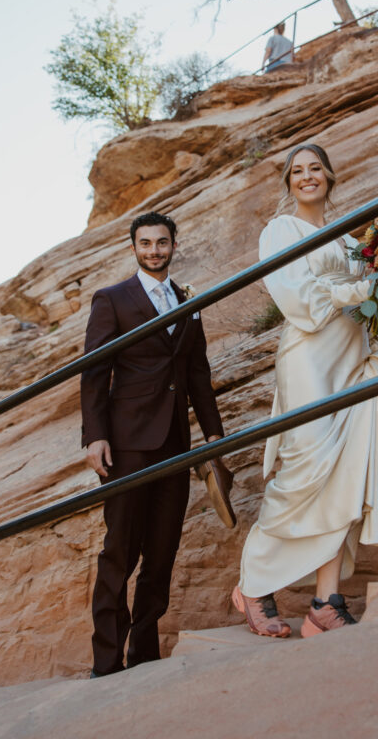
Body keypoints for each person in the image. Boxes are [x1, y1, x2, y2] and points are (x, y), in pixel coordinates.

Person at [232, 144, 378, 638]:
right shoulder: (280, 231)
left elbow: (367, 305)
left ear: (330, 177)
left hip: (351, 358)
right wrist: (364, 287)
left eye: (315, 169)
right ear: (289, 182)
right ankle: (253, 585)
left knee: (344, 475)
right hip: (309, 359)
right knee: (304, 472)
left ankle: (325, 603)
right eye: (297, 171)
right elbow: (301, 302)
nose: (307, 177)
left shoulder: (353, 243)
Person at [81, 211, 235, 677]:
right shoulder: (112, 299)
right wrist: (95, 435)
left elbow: (197, 375)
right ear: (134, 248)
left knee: (163, 550)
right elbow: (94, 370)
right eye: (145, 243)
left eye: (161, 242)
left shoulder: (187, 301)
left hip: (176, 445)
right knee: (120, 551)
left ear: (173, 245)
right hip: (126, 443)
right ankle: (106, 663)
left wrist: (213, 438)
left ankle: (143, 652)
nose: (154, 250)